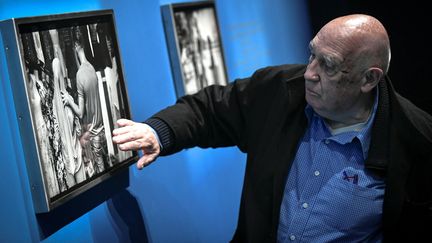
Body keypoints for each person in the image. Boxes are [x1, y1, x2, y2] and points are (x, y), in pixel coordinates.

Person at [112, 14, 432, 242]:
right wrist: (158, 131)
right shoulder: (280, 90)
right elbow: (210, 109)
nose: (309, 73)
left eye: (328, 65)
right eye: (312, 55)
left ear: (369, 79)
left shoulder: (417, 141)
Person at [62, 26, 106, 176]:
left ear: (74, 46)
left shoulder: (81, 75)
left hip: (93, 134)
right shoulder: (91, 68)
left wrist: (68, 99)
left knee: (100, 174)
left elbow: (80, 113)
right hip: (100, 129)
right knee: (103, 167)